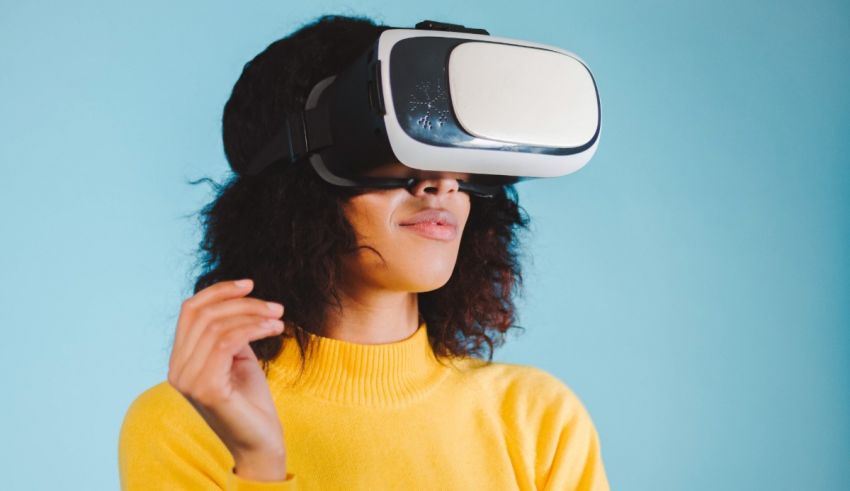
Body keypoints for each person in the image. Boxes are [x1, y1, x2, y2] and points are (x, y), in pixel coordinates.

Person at [118, 13, 610, 490]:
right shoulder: (183, 426)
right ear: (292, 186)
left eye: (451, 156)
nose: (441, 183)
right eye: (388, 149)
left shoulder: (538, 418)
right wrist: (258, 463)